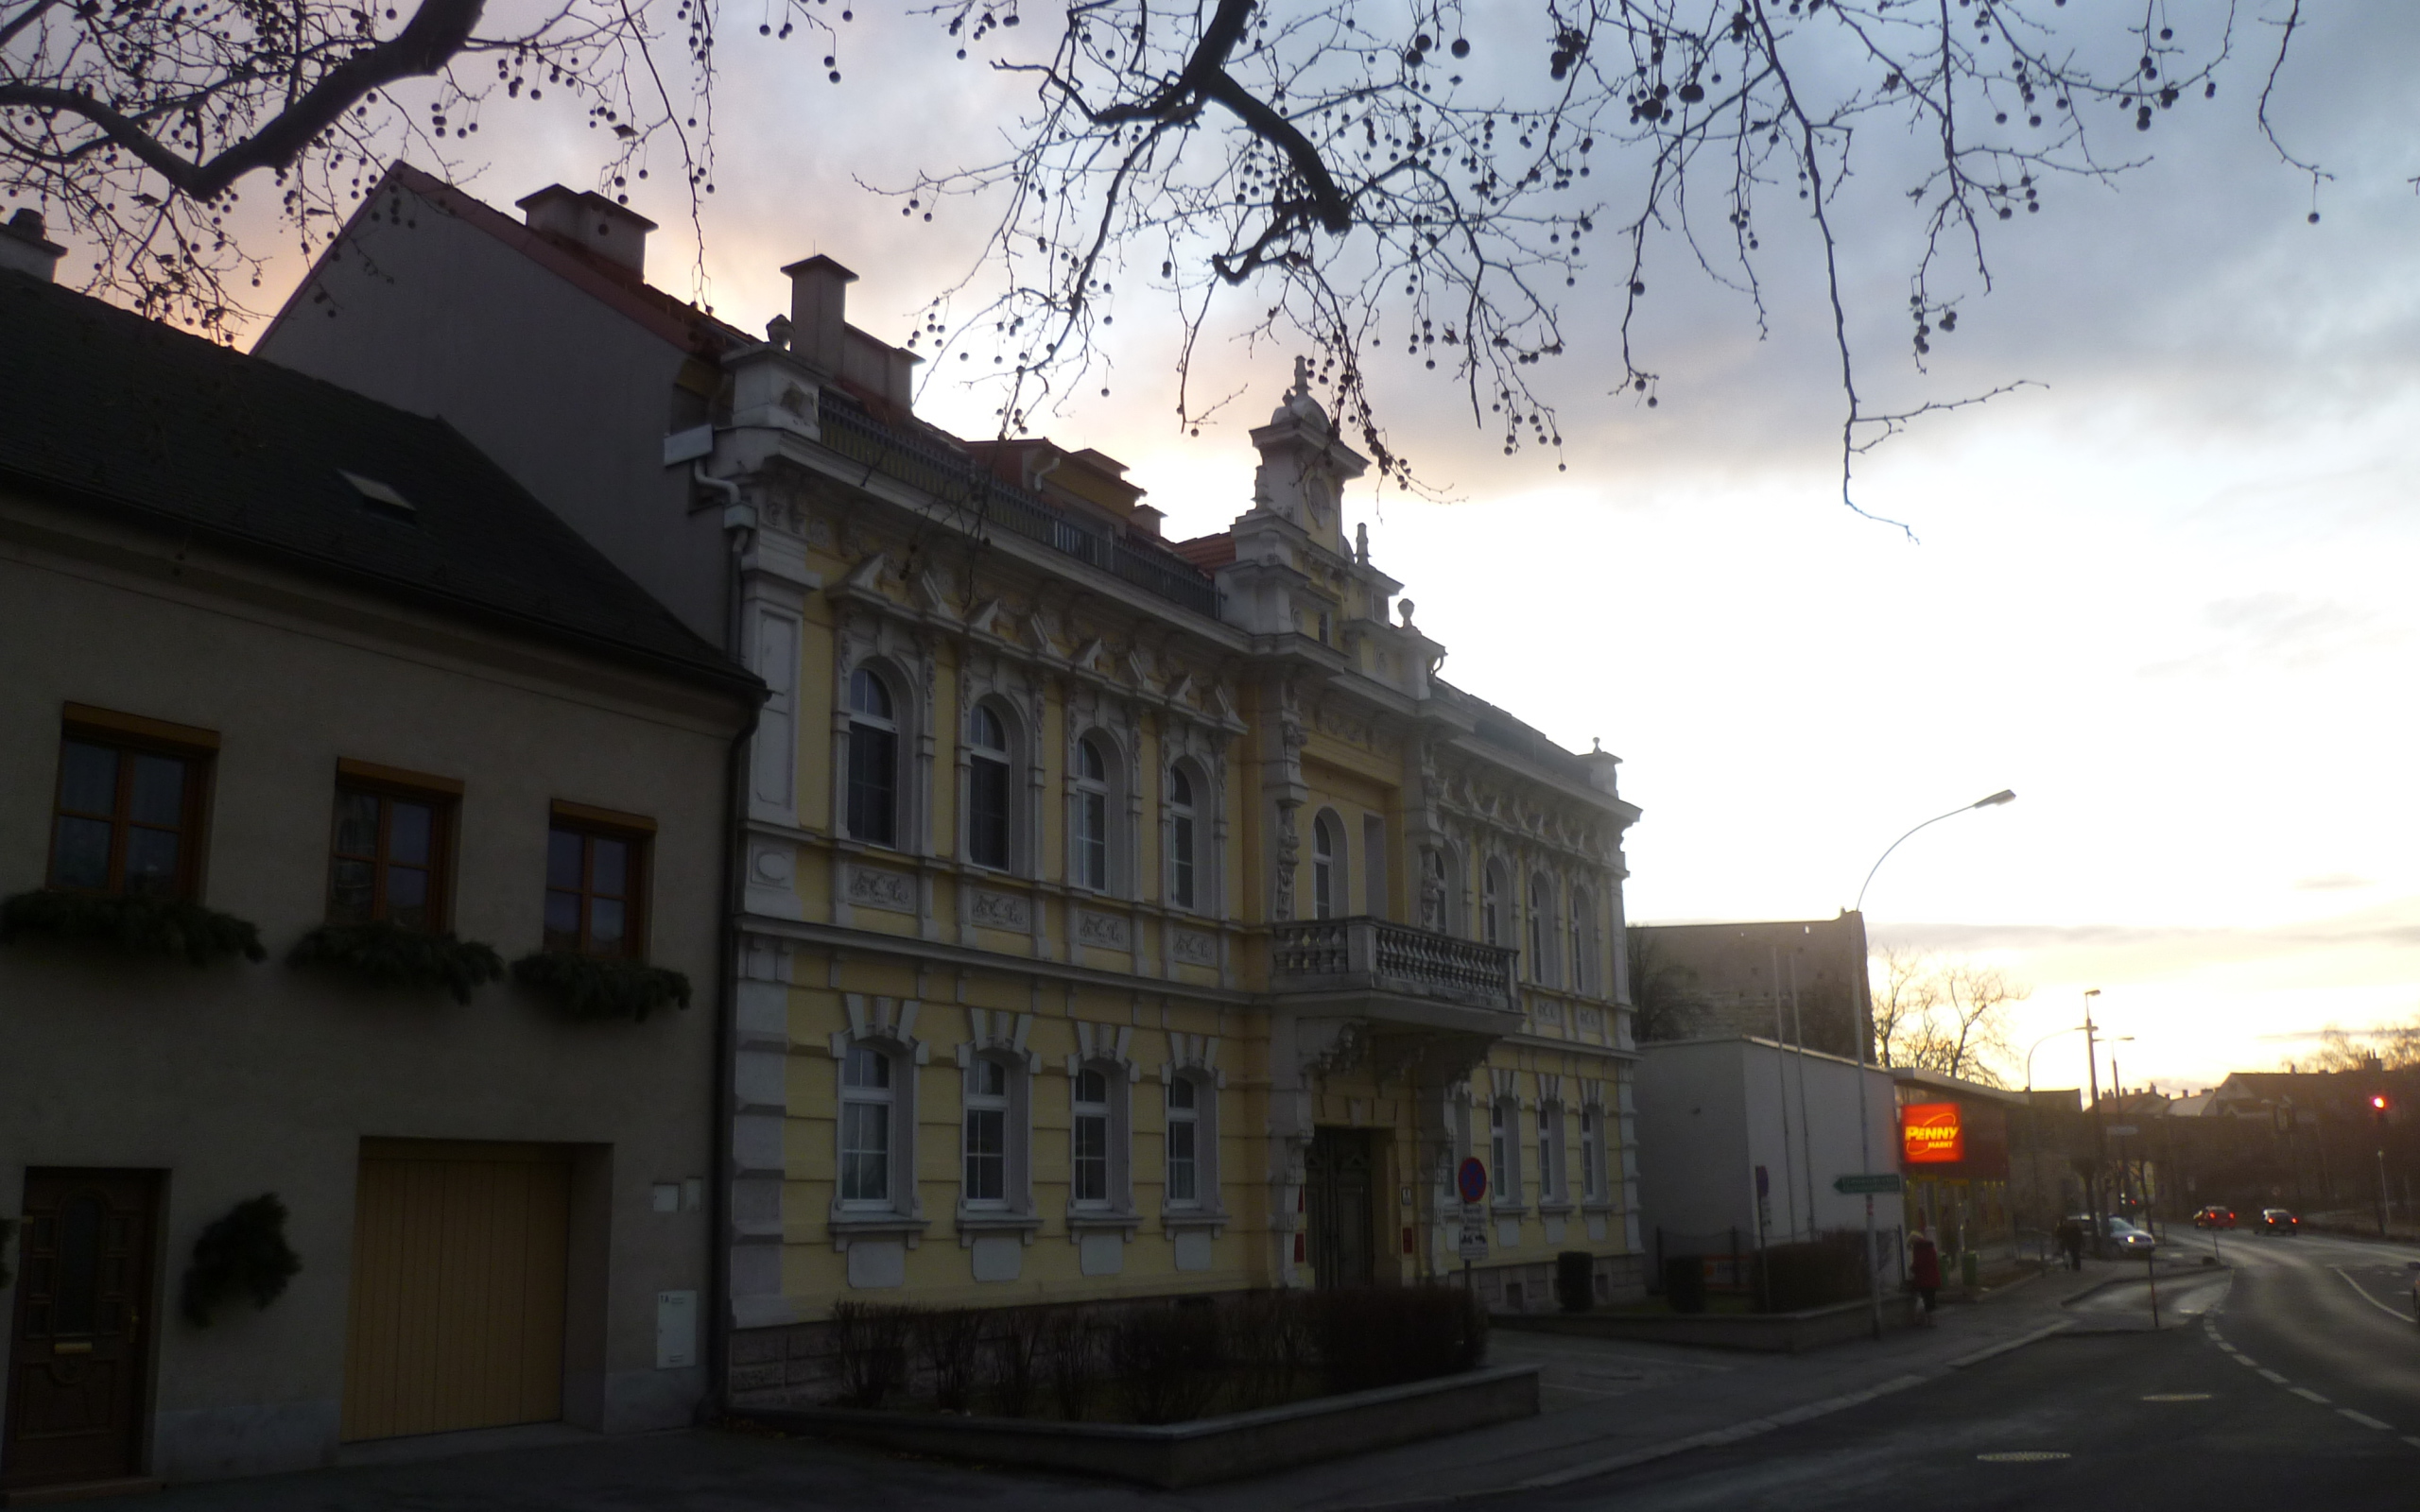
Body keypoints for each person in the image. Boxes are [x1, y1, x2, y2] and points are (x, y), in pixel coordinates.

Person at [1910, 1228, 1942, 1325]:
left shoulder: (1918, 1250)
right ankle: (1932, 1319)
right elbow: (1934, 1262)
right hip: (1933, 1278)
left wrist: (1912, 1269)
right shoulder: (1930, 1248)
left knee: (1926, 1299)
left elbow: (1918, 1264)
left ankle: (1930, 1320)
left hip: (1924, 1279)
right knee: (1931, 1298)